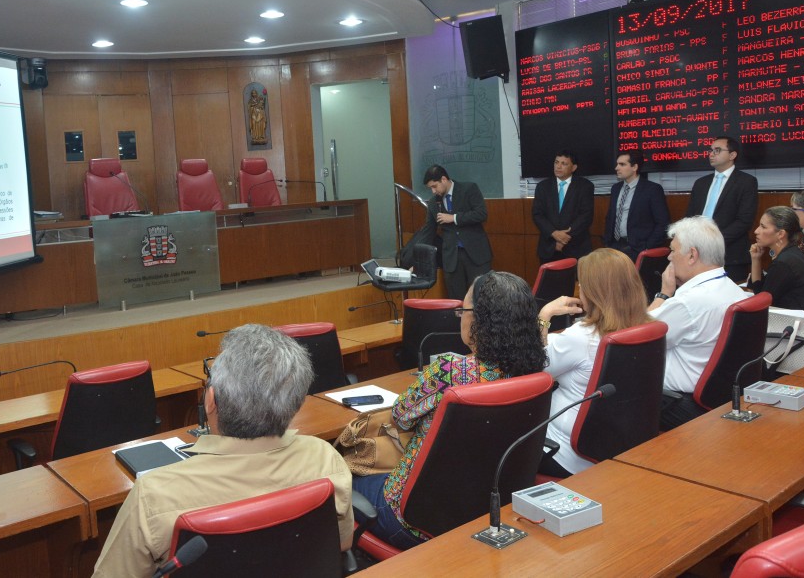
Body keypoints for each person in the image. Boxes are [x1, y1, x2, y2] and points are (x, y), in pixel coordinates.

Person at [92, 324, 353, 577]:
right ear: (297, 403)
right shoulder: (324, 457)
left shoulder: (154, 494)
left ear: (210, 400)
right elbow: (340, 544)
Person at [351, 271, 546, 549]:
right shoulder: (533, 374)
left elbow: (400, 417)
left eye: (463, 310)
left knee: (343, 483)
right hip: (489, 509)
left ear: (480, 320)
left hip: (412, 520)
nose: (461, 317)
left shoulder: (448, 371)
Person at [536, 249, 650, 476]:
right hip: (616, 442)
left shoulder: (581, 337)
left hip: (562, 451)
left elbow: (534, 368)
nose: (580, 289)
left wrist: (544, 315)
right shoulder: (647, 327)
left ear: (594, 292)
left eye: (582, 284)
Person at [648, 217, 749, 430]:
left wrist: (664, 294)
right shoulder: (734, 289)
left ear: (692, 255)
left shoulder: (688, 303)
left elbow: (635, 336)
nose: (669, 256)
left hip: (677, 402)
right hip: (723, 396)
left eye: (673, 250)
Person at [685, 136, 758, 283]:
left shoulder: (746, 182)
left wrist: (714, 242)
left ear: (732, 155)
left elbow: (744, 221)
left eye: (717, 150)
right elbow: (690, 217)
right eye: (710, 150)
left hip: (730, 254)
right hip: (698, 253)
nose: (711, 154)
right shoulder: (701, 183)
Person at [418, 164, 492, 301]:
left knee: (481, 298)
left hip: (476, 255)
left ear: (444, 179)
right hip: (452, 258)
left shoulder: (469, 189)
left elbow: (481, 214)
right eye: (430, 188)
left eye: (434, 186)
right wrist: (416, 260)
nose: (433, 191)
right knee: (456, 300)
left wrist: (454, 218)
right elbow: (428, 232)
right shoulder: (434, 203)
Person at [749, 206, 804, 316]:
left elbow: (761, 302)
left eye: (763, 227)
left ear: (780, 234)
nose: (756, 231)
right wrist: (756, 259)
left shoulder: (784, 263)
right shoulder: (792, 254)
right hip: (801, 321)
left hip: (801, 327)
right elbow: (761, 293)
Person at [603, 150, 670, 260]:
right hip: (614, 247)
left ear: (634, 167)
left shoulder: (652, 189)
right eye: (617, 164)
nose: (616, 168)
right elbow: (610, 217)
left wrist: (647, 247)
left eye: (622, 164)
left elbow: (662, 223)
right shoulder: (615, 188)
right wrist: (607, 242)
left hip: (638, 249)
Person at [532, 150, 595, 264]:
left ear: (574, 167)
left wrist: (564, 238)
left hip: (577, 248)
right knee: (549, 282)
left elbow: (586, 216)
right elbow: (537, 215)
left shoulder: (585, 186)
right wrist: (554, 233)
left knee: (577, 282)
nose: (558, 166)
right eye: (556, 162)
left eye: (564, 163)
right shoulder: (543, 187)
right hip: (549, 247)